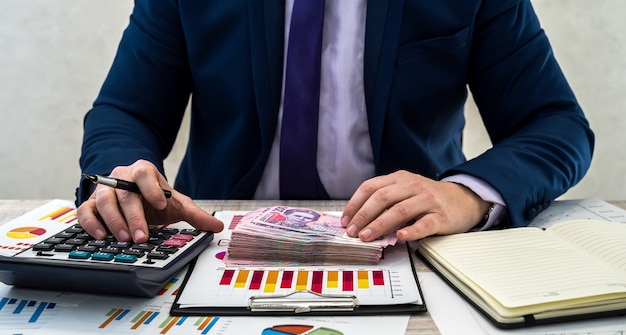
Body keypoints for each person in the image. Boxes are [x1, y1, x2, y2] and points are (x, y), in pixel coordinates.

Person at [75, 0, 594, 245]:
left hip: (412, 246)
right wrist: (123, 176)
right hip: (215, 237)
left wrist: (466, 194)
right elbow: (126, 110)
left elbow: (555, 123)